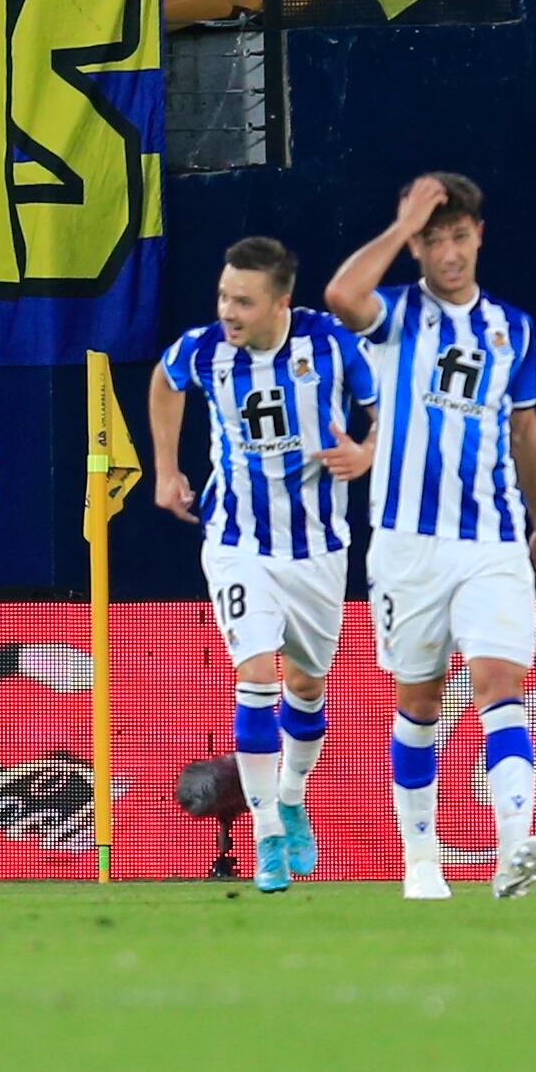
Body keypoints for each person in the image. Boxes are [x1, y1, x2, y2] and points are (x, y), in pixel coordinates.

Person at [325, 172, 536, 903]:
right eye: (434, 240)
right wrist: (400, 225)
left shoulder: (513, 328)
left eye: (458, 236)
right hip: (404, 543)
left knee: (498, 682)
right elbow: (339, 296)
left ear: (478, 236)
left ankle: (515, 846)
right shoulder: (393, 314)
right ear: (417, 247)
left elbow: (523, 426)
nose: (449, 253)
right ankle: (419, 858)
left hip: (489, 537)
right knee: (419, 701)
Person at [148, 238, 377, 895]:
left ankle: (292, 795)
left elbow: (385, 405)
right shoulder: (204, 350)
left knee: (305, 688)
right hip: (236, 541)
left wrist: (365, 452)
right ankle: (265, 831)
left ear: (280, 302)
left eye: (242, 301)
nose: (228, 311)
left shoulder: (331, 344)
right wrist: (166, 469)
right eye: (223, 296)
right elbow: (164, 381)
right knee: (253, 674)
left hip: (317, 550)